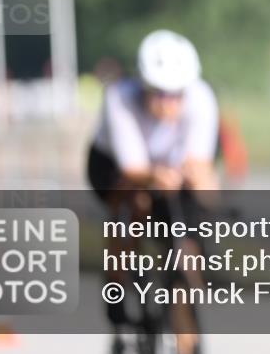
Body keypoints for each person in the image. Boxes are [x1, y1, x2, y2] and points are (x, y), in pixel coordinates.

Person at [87, 30, 218, 354]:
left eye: (176, 95)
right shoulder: (119, 97)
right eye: (158, 93)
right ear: (144, 86)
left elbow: (200, 167)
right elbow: (133, 168)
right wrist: (156, 176)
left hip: (172, 171)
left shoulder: (201, 98)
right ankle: (117, 288)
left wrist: (204, 196)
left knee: (187, 233)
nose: (167, 102)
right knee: (135, 203)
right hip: (115, 166)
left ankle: (186, 317)